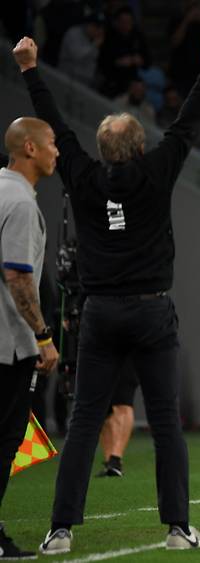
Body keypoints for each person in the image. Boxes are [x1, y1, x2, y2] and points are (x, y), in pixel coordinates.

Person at [14, 31, 200, 553]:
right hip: (153, 312)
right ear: (139, 146)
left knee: (84, 420)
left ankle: (60, 531)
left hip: (100, 312)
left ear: (103, 149)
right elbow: (188, 121)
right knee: (166, 422)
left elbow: (56, 123)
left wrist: (29, 70)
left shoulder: (82, 177)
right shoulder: (158, 171)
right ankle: (178, 528)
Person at [0, 118, 60, 559]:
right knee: (4, 443)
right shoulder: (20, 203)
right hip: (7, 345)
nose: (57, 151)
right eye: (52, 143)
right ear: (29, 148)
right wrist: (42, 336)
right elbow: (18, 277)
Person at [96, 364, 139, 477]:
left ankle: (116, 458)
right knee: (103, 409)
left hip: (127, 352)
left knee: (122, 402)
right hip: (99, 352)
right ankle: (109, 461)